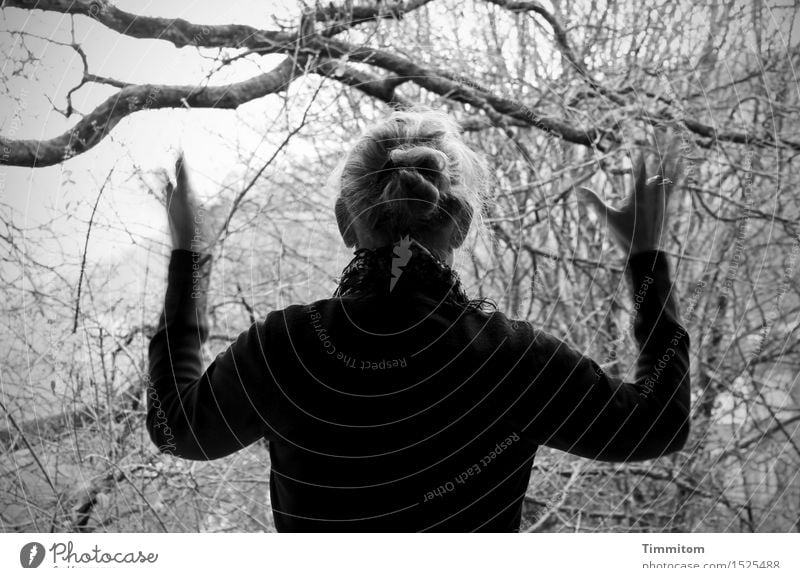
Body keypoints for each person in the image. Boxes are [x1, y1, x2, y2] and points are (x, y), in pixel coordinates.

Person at [146, 108, 690, 532]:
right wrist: (646, 258)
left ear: (344, 222)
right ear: (462, 223)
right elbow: (657, 425)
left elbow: (178, 428)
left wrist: (189, 261)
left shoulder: (285, 348)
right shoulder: (513, 359)